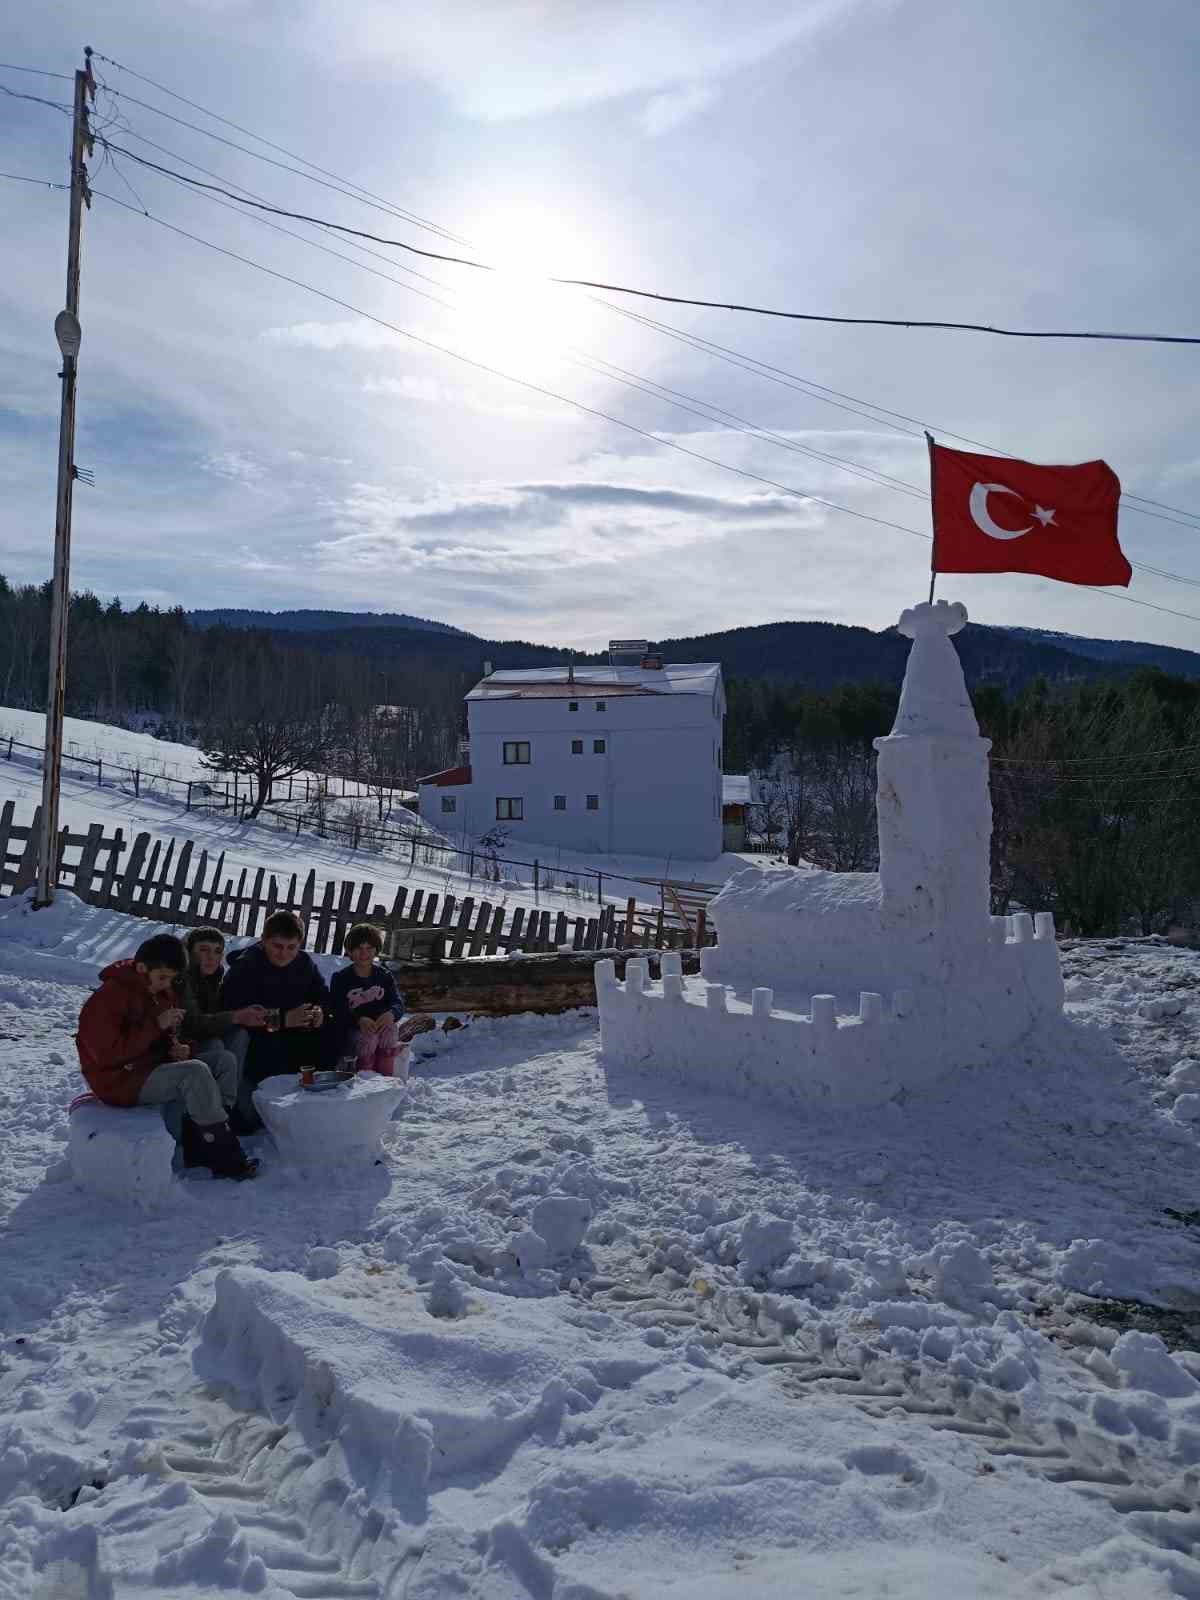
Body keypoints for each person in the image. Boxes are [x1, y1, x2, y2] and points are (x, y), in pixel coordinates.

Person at [75, 933, 258, 1181]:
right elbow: (106, 1056)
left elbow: (168, 1037)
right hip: (118, 1080)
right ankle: (226, 1157)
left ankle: (202, 1140)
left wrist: (182, 1048)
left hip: (149, 1067)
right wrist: (156, 1026)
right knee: (195, 1072)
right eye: (162, 977)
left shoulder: (160, 991)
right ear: (141, 968)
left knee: (223, 1060)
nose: (166, 984)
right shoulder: (108, 998)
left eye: (171, 979)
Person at [220, 911, 332, 1100]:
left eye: (291, 947)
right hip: (259, 1040)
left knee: (330, 1033)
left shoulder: (304, 963)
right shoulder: (246, 966)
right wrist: (283, 1019)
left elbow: (322, 995)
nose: (284, 954)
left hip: (295, 1036)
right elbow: (235, 1010)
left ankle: (318, 1094)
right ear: (264, 940)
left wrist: (320, 1011)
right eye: (277, 946)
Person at [179, 926, 265, 1104]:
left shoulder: (215, 977)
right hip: (181, 1043)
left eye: (217, 951)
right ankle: (211, 1108)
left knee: (240, 1036)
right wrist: (236, 1016)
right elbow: (193, 1023)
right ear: (190, 952)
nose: (211, 957)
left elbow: (219, 1013)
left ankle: (229, 1104)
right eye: (203, 950)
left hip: (201, 1036)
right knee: (215, 1045)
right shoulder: (182, 978)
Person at [330, 923, 407, 1077]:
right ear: (350, 950)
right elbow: (337, 1009)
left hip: (378, 1027)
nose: (364, 953)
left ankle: (385, 1077)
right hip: (352, 1030)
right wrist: (358, 1020)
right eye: (359, 948)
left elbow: (397, 1002)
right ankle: (364, 1076)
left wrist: (391, 1013)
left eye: (369, 948)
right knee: (369, 1039)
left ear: (376, 950)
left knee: (391, 1030)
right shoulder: (341, 978)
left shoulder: (384, 976)